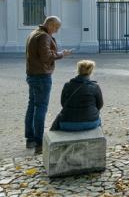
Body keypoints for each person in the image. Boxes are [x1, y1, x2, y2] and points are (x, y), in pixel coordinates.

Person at [25, 16, 73, 154]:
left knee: (32, 106)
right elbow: (46, 57)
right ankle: (39, 143)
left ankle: (30, 139)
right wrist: (61, 54)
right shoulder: (44, 36)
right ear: (50, 25)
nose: (56, 31)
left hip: (32, 74)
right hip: (41, 76)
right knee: (40, 108)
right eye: (56, 27)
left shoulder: (33, 33)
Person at [51, 60, 103, 131]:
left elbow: (63, 103)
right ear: (91, 72)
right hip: (91, 122)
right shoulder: (95, 86)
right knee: (98, 118)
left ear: (78, 70)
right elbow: (99, 105)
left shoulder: (67, 85)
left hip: (67, 123)